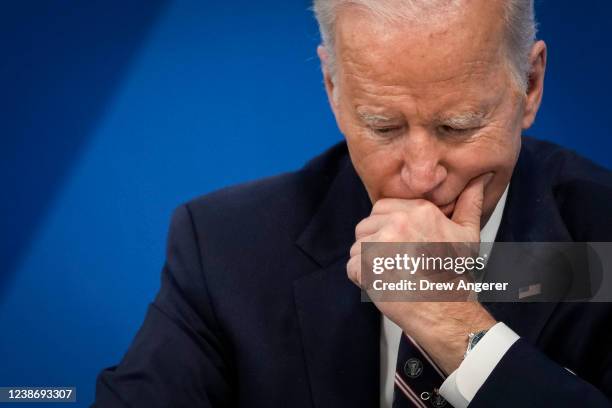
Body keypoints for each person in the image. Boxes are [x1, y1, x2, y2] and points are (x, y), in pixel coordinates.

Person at [93, 0, 612, 406]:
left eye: (458, 126)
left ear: (531, 84)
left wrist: (454, 325)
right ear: (333, 89)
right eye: (383, 126)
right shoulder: (223, 247)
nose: (421, 174)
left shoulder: (602, 236)